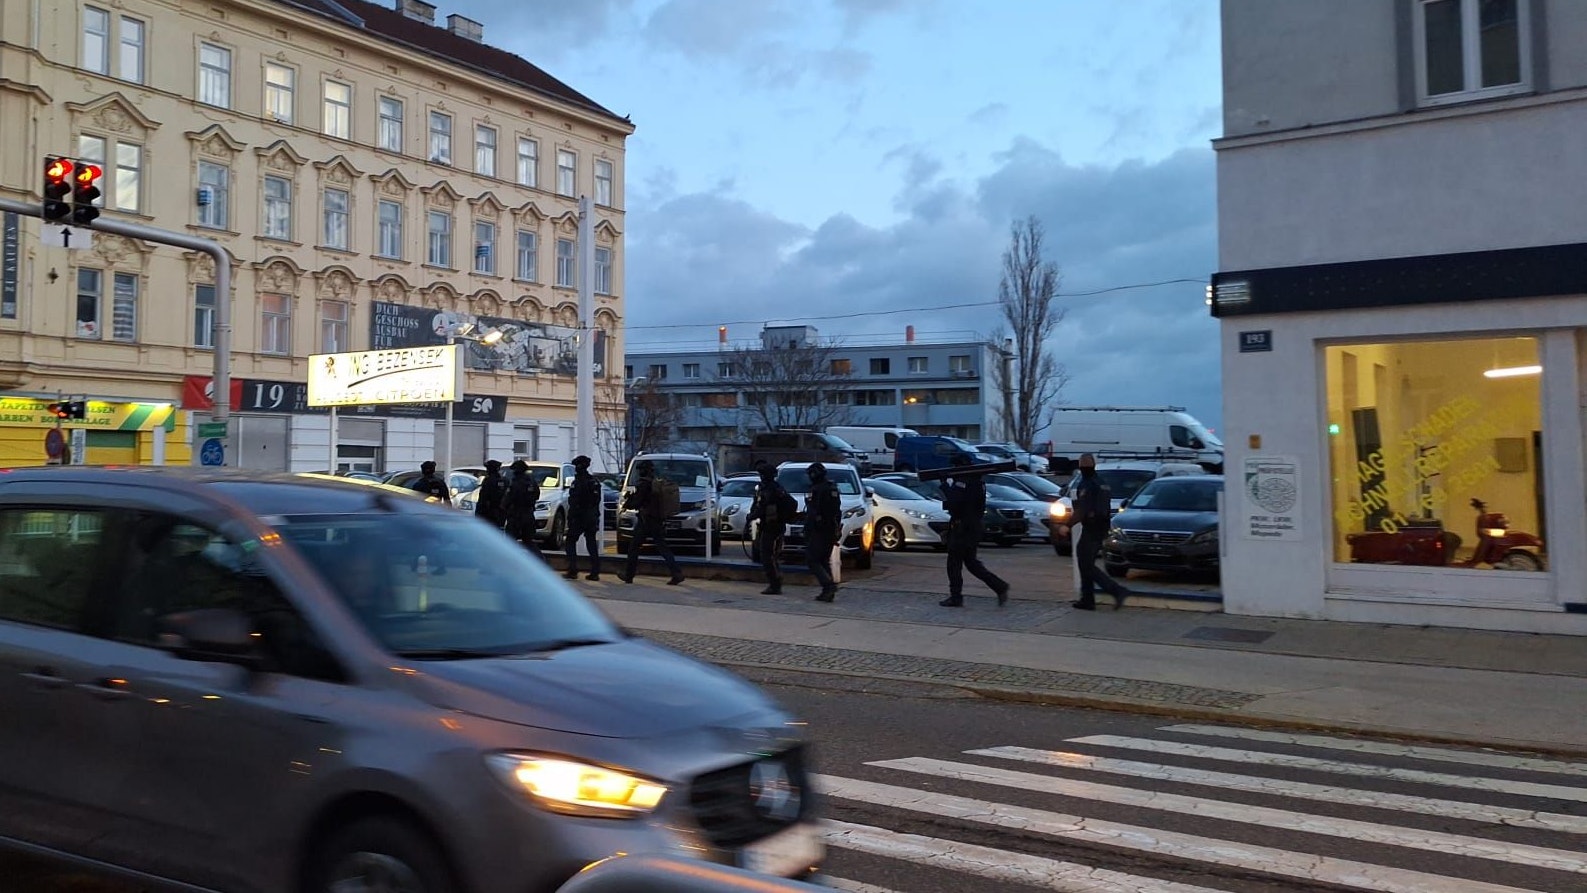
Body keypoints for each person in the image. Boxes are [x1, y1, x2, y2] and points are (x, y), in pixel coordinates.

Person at [938, 453, 1010, 607]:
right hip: (972, 526)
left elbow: (955, 502)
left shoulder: (963, 482)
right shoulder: (978, 482)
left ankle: (956, 596)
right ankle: (999, 586)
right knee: (971, 563)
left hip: (962, 527)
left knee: (954, 563)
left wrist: (944, 484)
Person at [1070, 452, 1131, 610]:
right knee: (1086, 563)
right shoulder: (1102, 482)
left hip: (1091, 528)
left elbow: (1083, 508)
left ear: (1081, 466)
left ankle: (1116, 591)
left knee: (1086, 564)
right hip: (1101, 527)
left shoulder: (1087, 484)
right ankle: (1087, 599)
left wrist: (1067, 525)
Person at [619, 460, 684, 585]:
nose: (639, 472)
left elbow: (637, 502)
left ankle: (628, 575)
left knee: (633, 547)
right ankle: (677, 573)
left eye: (640, 470)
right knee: (663, 547)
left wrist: (628, 501)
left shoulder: (644, 484)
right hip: (656, 520)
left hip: (646, 520)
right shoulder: (655, 483)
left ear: (644, 470)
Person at [747, 462, 793, 594]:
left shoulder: (771, 489)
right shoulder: (770, 487)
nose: (760, 477)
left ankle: (775, 584)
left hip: (772, 526)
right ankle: (775, 581)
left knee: (767, 555)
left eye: (762, 474)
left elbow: (763, 508)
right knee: (771, 555)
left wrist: (752, 516)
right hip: (772, 526)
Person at [803, 462, 841, 602]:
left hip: (820, 529)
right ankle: (828, 590)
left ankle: (828, 585)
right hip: (829, 528)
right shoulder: (831, 488)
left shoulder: (818, 489)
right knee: (823, 559)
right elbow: (837, 511)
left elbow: (815, 511)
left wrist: (810, 525)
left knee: (812, 559)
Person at [563, 455, 604, 581]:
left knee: (570, 541)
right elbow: (597, 500)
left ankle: (573, 569)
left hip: (580, 517)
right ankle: (595, 571)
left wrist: (571, 517)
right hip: (591, 516)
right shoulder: (594, 482)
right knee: (591, 543)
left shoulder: (578, 482)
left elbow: (574, 502)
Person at [502, 459, 543, 558]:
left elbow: (509, 499)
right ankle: (541, 560)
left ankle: (509, 562)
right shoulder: (531, 482)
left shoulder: (516, 483)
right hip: (529, 514)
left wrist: (504, 507)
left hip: (516, 515)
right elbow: (537, 495)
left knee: (509, 541)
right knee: (528, 541)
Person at [474, 459, 508, 530]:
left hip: (489, 512)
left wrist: (478, 513)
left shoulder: (488, 481)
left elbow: (483, 498)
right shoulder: (505, 481)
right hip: (501, 513)